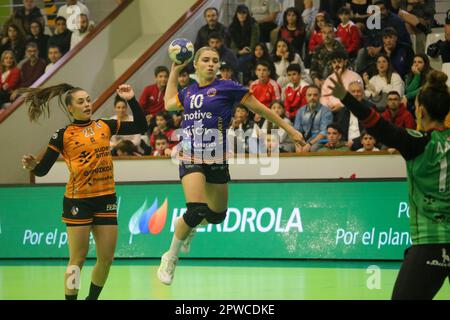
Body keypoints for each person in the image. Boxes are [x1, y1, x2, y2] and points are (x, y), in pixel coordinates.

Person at [157, 46, 305, 285]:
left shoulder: (229, 87)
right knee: (196, 210)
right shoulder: (189, 92)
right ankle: (170, 257)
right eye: (205, 60)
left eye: (215, 60)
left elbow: (262, 109)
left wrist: (290, 129)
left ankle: (185, 225)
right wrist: (174, 69)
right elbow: (168, 103)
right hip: (190, 154)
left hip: (216, 156)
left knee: (217, 216)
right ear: (195, 65)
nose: (211, 64)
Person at [326, 68, 450, 300]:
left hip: (430, 243)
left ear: (420, 110)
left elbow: (376, 124)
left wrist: (346, 96)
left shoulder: (417, 143)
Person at [20, 83, 148, 300]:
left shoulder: (104, 126)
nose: (87, 104)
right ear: (70, 109)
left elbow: (141, 126)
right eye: (81, 102)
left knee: (106, 259)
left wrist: (131, 99)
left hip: (106, 198)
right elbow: (42, 170)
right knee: (77, 260)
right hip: (78, 201)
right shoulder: (62, 135)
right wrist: (33, 166)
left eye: (88, 100)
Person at [294, 85, 333, 152]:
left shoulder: (326, 111)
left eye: (315, 95)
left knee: (313, 148)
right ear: (305, 97)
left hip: (320, 141)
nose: (312, 97)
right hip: (304, 140)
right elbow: (297, 130)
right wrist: (298, 145)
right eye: (309, 95)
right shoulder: (300, 111)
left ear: (319, 96)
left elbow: (324, 132)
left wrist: (310, 144)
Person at [228, 4, 260, 81]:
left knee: (240, 62)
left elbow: (254, 43)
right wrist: (239, 52)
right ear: (236, 14)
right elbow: (232, 45)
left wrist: (246, 50)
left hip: (252, 51)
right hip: (238, 52)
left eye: (244, 13)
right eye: (239, 13)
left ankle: (240, 82)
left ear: (247, 14)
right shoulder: (232, 27)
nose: (241, 15)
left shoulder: (253, 25)